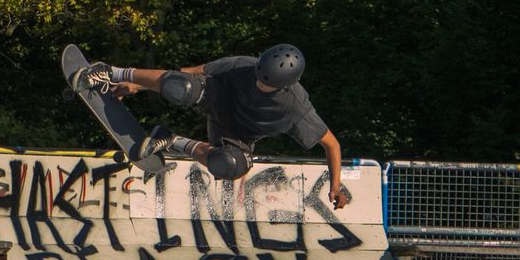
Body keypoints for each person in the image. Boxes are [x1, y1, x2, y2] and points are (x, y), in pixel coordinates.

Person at [74, 44, 349, 209]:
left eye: (265, 85)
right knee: (183, 86)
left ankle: (171, 140)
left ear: (283, 87)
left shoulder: (297, 107)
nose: (258, 84)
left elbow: (332, 145)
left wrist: (335, 186)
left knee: (230, 166)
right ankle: (110, 70)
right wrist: (137, 84)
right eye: (258, 77)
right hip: (214, 98)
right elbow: (191, 71)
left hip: (235, 134)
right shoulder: (244, 65)